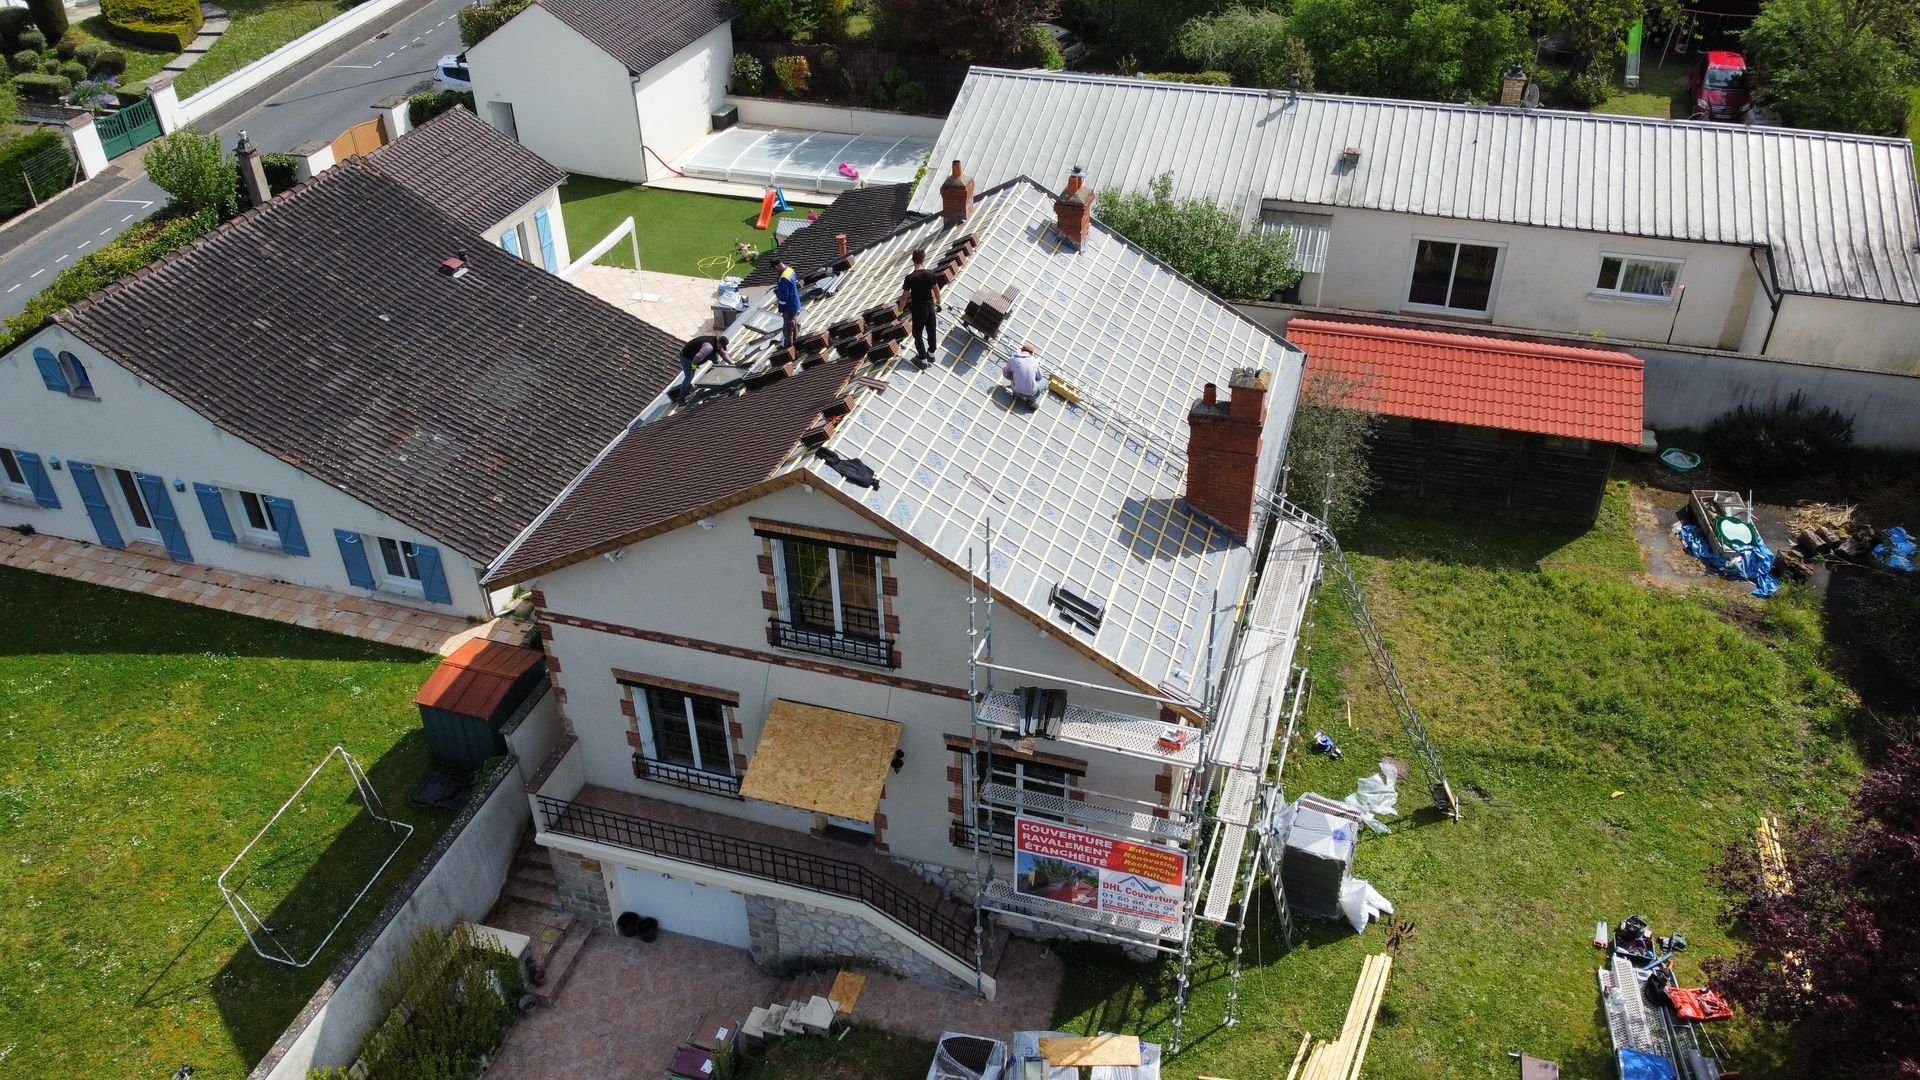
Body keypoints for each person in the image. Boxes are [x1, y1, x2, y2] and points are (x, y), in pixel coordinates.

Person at [902, 249, 942, 365]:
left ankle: (923, 359)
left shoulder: (910, 278)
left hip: (918, 309)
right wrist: (938, 303)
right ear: (923, 259)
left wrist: (900, 311)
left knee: (917, 334)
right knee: (931, 330)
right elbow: (937, 291)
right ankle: (931, 353)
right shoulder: (930, 273)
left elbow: (904, 297)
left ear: (912, 260)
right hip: (930, 306)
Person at [771, 259, 802, 349]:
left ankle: (788, 347)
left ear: (776, 266)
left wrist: (781, 307)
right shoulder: (790, 270)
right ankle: (796, 341)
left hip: (789, 306)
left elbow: (784, 296)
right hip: (795, 303)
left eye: (774, 269)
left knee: (788, 328)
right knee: (794, 323)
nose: (775, 271)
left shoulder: (783, 278)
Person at [1004, 343, 1044, 409]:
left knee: (1014, 374)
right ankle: (1031, 400)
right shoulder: (1035, 362)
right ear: (1031, 353)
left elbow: (1005, 373)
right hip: (1031, 391)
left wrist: (1013, 378)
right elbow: (1040, 378)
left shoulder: (1013, 359)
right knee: (1045, 381)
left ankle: (1018, 393)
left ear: (1022, 350)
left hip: (1016, 389)